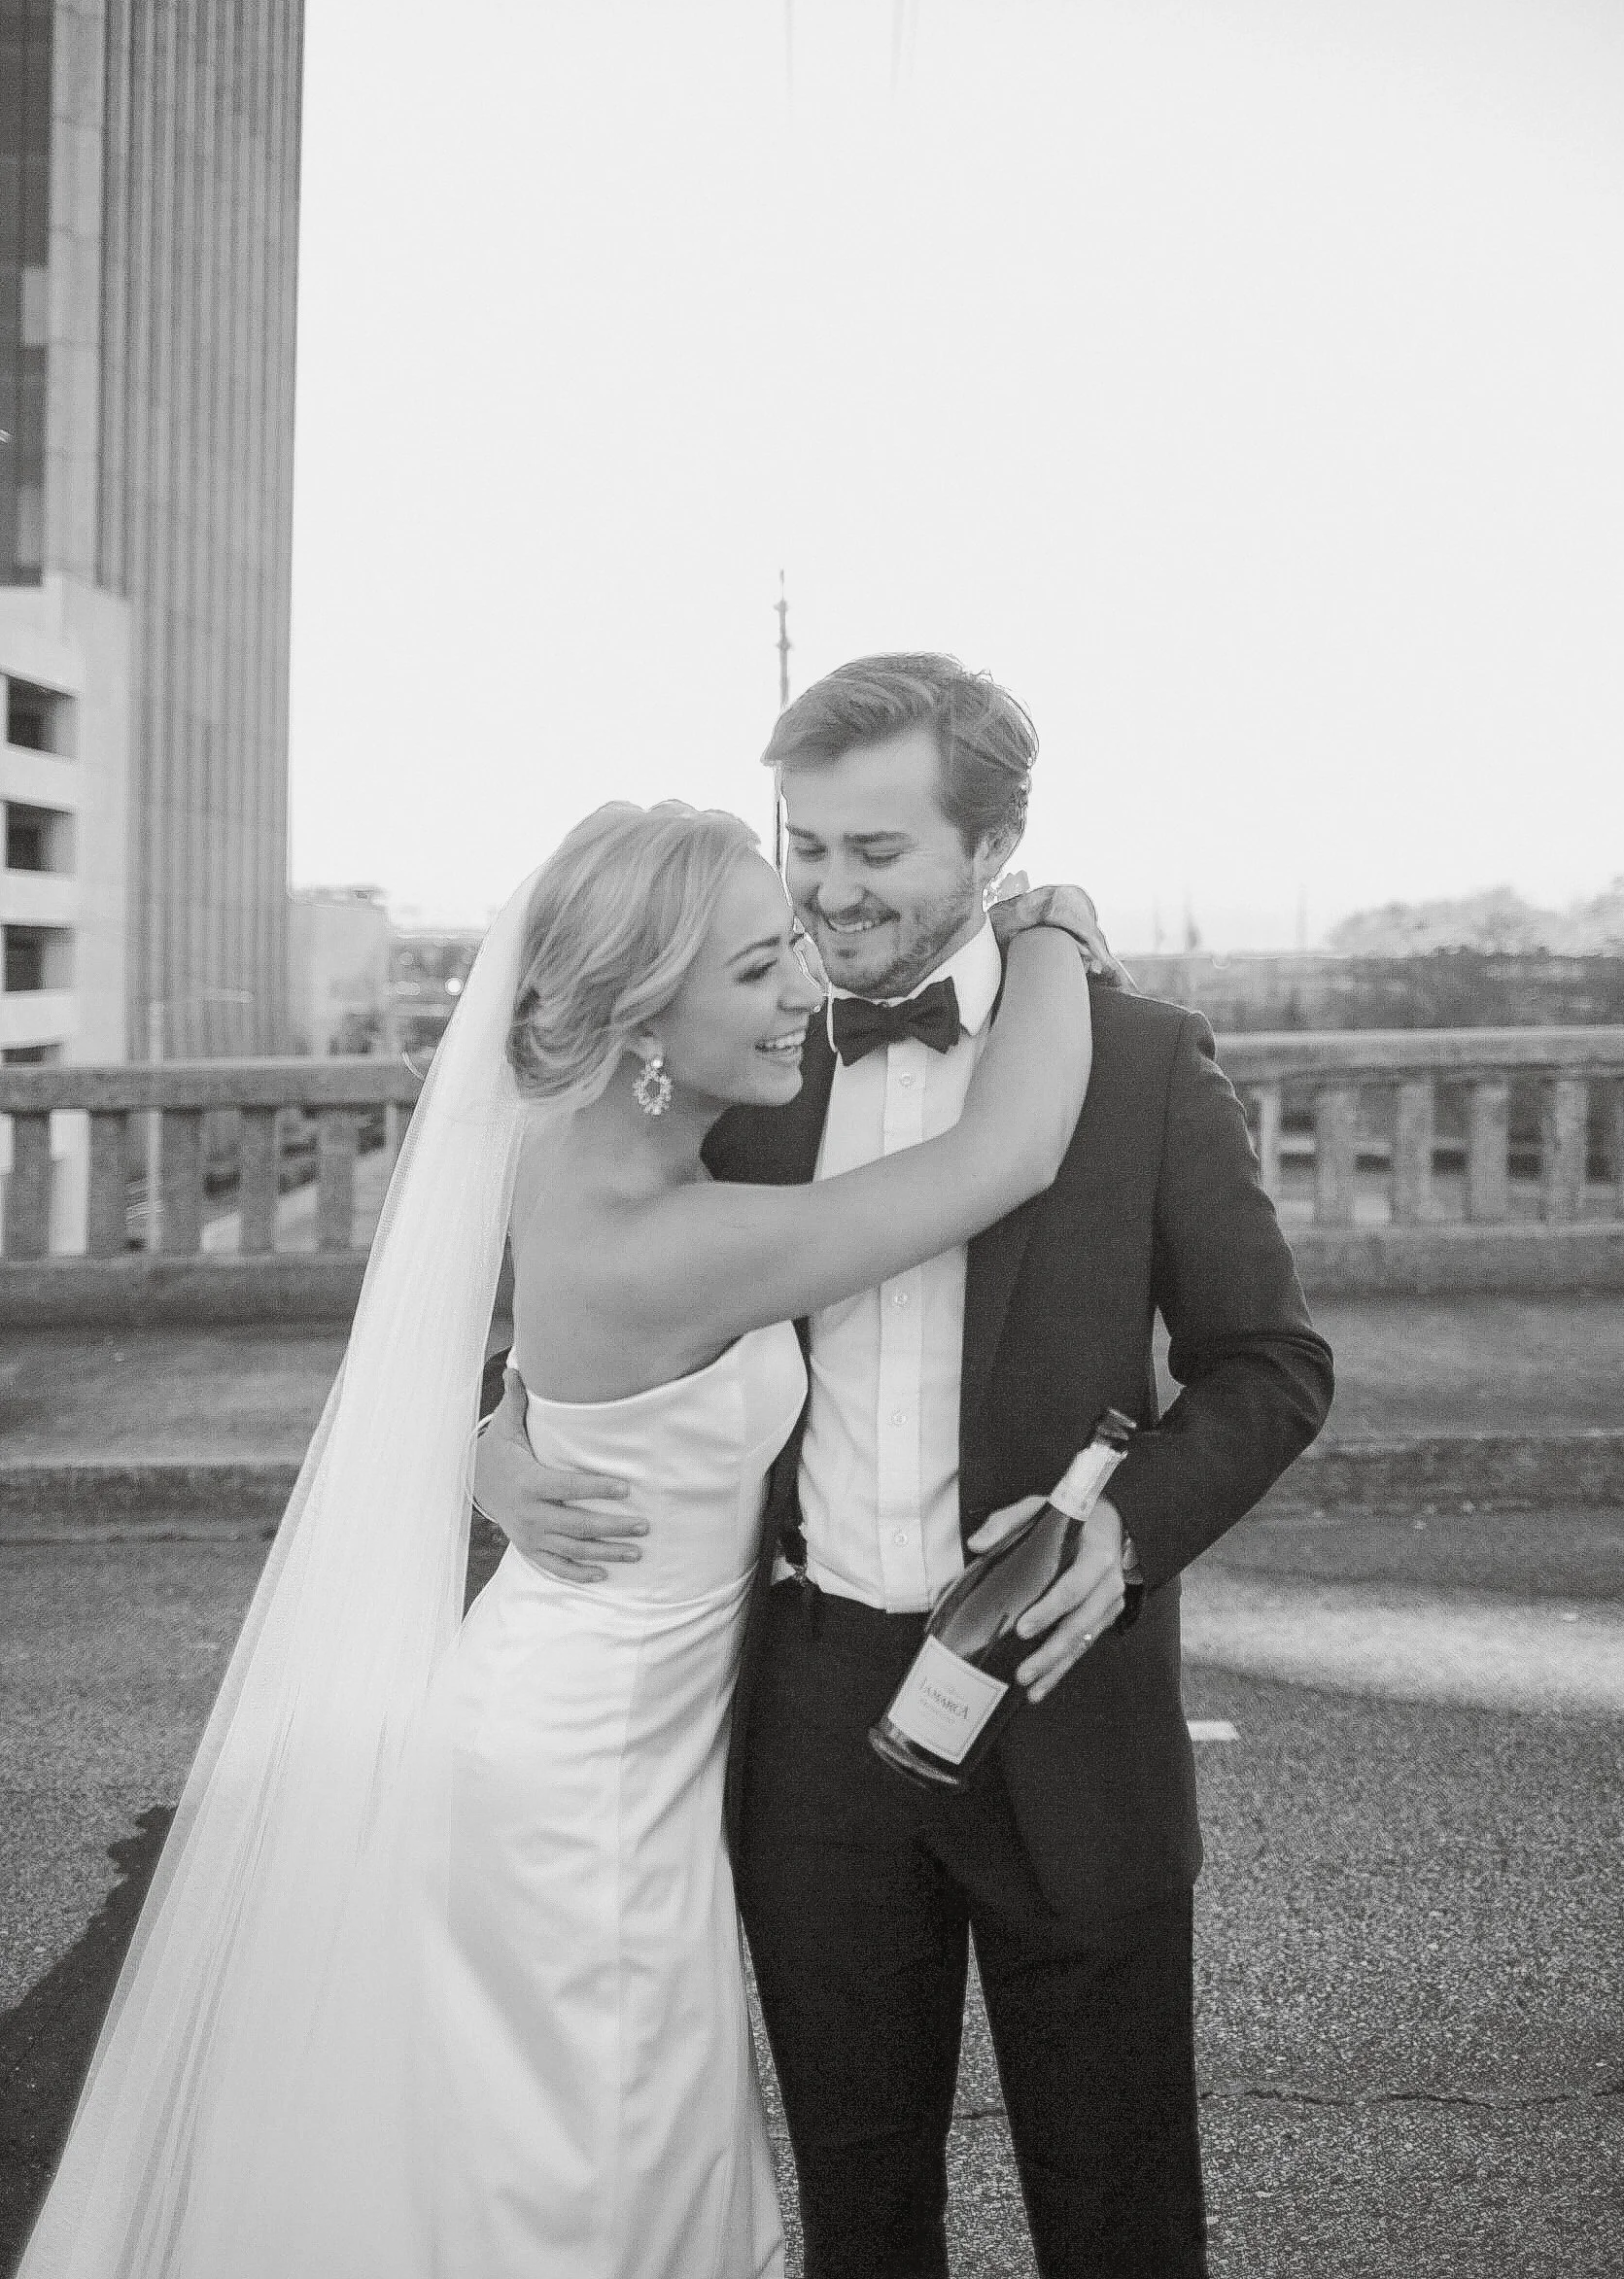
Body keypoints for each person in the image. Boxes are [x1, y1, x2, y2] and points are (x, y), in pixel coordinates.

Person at [17, 798, 1095, 2279]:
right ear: (642, 1027)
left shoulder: (562, 1156)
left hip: (578, 1727)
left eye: (792, 949)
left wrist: (493, 1437)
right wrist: (1049, 938)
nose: (804, 989)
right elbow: (1008, 1153)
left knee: (536, 2164)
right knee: (584, 2180)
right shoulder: (681, 1242)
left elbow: (448, 1335)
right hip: (585, 1792)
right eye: (755, 971)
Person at [479, 653, 1337, 2279]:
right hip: (807, 1718)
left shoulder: (1138, 1064)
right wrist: (485, 1447)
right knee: (858, 2204)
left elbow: (1271, 1365)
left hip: (1065, 1707)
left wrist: (1130, 1534)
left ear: (991, 847)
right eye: (804, 847)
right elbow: (533, 1285)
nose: (825, 894)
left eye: (875, 854)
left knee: (1120, 2200)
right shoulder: (733, 1052)